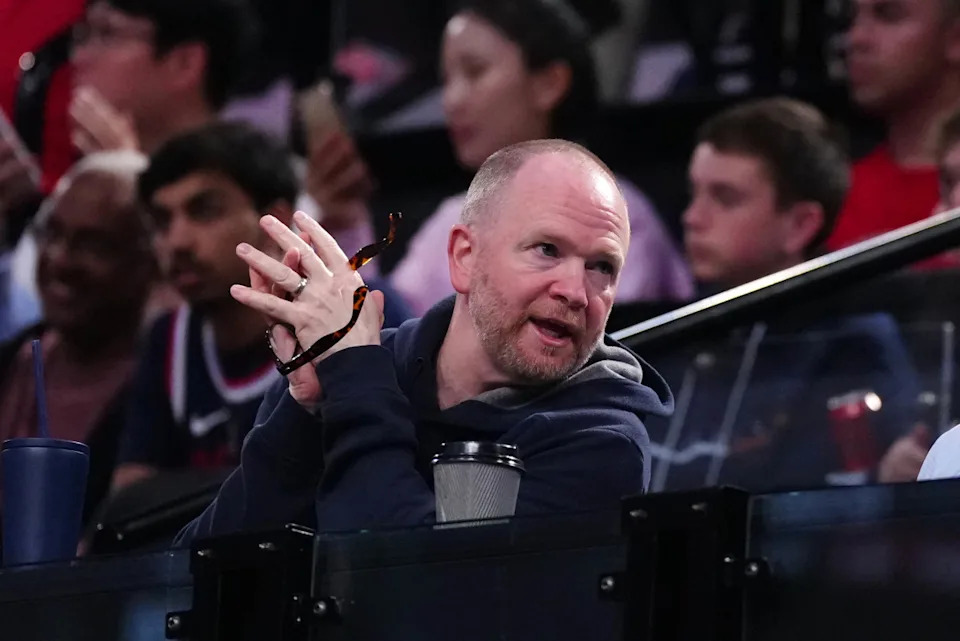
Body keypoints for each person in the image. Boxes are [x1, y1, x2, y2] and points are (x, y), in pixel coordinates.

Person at [176, 139, 672, 541]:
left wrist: (355, 380)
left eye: (602, 267)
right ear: (464, 258)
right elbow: (201, 576)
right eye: (547, 249)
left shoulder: (602, 442)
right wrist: (305, 414)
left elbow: (409, 590)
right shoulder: (353, 367)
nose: (576, 292)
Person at [307, 0, 693, 317]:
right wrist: (346, 225)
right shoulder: (453, 218)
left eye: (475, 72)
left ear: (549, 83)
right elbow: (386, 328)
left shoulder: (615, 218)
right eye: (447, 80)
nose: (452, 101)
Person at [641, 98, 928, 493]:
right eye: (695, 192)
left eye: (725, 198)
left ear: (800, 225)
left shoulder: (855, 345)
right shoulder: (670, 333)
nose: (692, 217)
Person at [110, 122, 410, 495]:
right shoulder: (168, 338)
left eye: (205, 211)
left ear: (275, 222)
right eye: (162, 221)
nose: (177, 241)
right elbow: (129, 492)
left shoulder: (360, 312)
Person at [0, 150, 155, 522]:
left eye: (92, 244)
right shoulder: (10, 361)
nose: (60, 259)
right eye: (52, 233)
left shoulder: (164, 392)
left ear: (149, 259)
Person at [828, 0, 960, 250]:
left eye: (889, 15)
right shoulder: (826, 195)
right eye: (853, 18)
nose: (855, 38)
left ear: (956, 38)